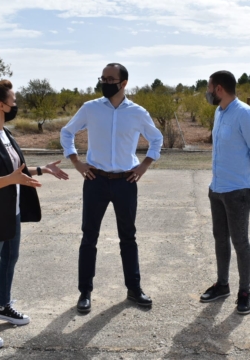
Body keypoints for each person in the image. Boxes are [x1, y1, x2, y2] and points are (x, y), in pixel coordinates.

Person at [0, 80, 69, 349]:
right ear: (1, 105)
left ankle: (3, 305)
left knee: (10, 260)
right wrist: (11, 179)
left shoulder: (5, 133)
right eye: (13, 100)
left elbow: (15, 172)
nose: (15, 104)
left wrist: (42, 169)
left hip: (12, 212)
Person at [60, 63, 163, 313]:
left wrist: (145, 165)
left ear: (123, 83)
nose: (105, 82)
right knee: (89, 237)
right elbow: (67, 132)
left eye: (110, 78)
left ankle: (134, 289)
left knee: (128, 237)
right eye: (103, 78)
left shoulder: (137, 112)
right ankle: (84, 292)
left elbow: (156, 138)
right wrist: (76, 162)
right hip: (95, 180)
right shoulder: (91, 108)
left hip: (126, 182)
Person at [199, 70, 250, 315]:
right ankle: (223, 285)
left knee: (240, 241)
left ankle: (245, 292)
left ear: (219, 89)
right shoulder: (220, 113)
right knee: (220, 239)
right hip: (217, 188)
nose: (207, 92)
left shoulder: (244, 114)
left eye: (208, 87)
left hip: (239, 190)